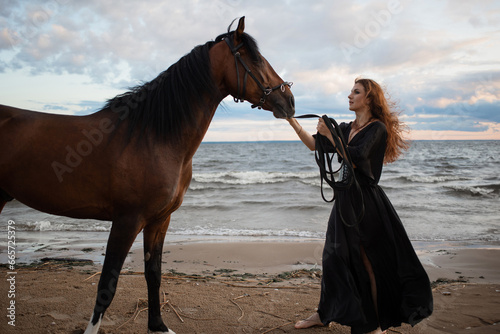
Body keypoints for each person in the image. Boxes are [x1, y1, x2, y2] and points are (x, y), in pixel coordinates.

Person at [287, 78, 433, 334]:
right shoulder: (346, 128)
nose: (349, 96)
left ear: (369, 98)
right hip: (345, 200)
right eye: (350, 92)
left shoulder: (377, 129)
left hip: (366, 203)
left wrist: (330, 135)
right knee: (332, 257)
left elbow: (356, 158)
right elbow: (314, 144)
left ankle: (376, 322)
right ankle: (324, 313)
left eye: (355, 92)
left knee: (369, 262)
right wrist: (291, 120)